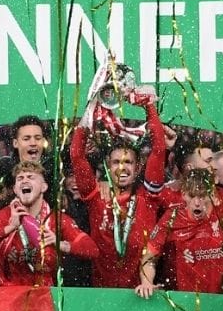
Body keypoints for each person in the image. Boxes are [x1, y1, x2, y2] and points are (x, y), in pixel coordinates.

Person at [69, 88, 167, 288]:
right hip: (102, 296)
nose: (122, 168)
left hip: (140, 293)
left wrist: (149, 106)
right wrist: (91, 108)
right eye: (116, 162)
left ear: (137, 167)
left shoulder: (148, 199)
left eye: (128, 162)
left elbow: (158, 149)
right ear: (107, 166)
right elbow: (77, 155)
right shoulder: (95, 196)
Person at [0, 161, 98, 287]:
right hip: (10, 292)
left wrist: (60, 244)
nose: (24, 181)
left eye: (30, 177)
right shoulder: (7, 215)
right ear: (15, 189)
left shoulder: (56, 219)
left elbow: (92, 249)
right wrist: (10, 227)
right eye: (20, 178)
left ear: (44, 187)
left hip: (45, 292)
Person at [137, 169, 223, 298]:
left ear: (213, 195)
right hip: (186, 300)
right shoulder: (172, 218)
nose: (197, 203)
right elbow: (149, 258)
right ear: (184, 194)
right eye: (192, 196)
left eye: (202, 196)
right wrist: (147, 282)